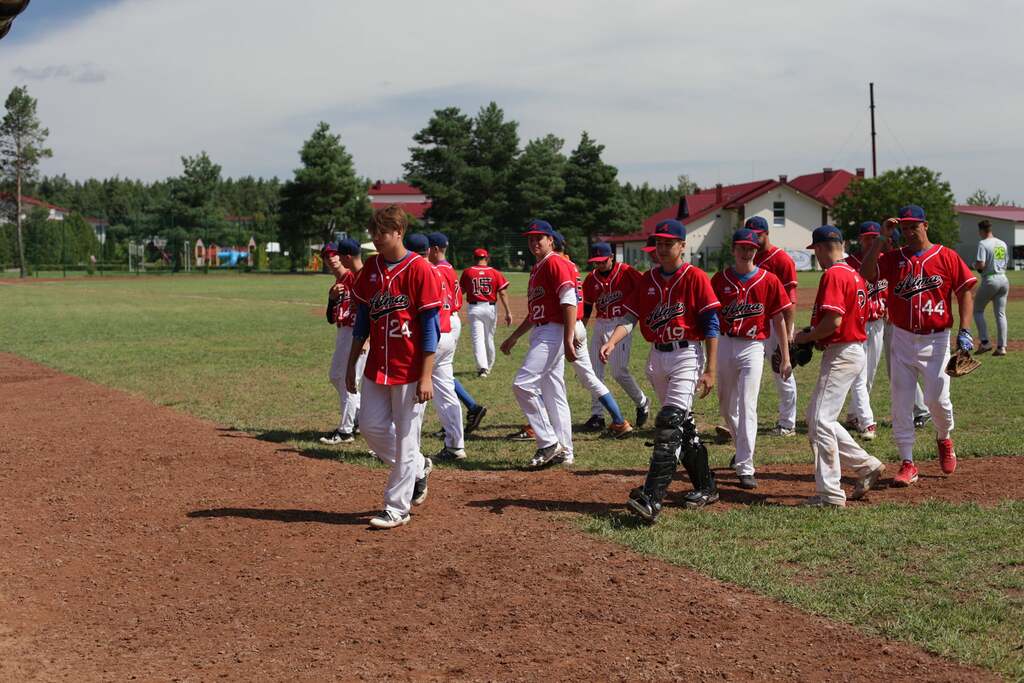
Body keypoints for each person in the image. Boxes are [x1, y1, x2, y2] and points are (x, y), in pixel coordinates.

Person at [599, 220, 721, 522]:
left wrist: (711, 370)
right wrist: (613, 342)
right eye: (660, 244)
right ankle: (707, 486)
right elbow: (630, 316)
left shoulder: (695, 277)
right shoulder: (648, 279)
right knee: (684, 428)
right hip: (657, 357)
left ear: (682, 246)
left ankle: (651, 498)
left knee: (668, 424)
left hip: (686, 355)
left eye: (670, 243)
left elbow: (711, 325)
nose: (663, 249)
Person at [860, 205, 978, 487]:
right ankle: (908, 462)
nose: (909, 232)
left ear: (925, 226)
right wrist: (880, 238)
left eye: (914, 226)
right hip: (901, 337)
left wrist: (965, 330)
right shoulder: (893, 257)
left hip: (936, 338)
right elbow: (866, 272)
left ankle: (943, 437)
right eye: (905, 227)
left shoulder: (946, 256)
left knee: (937, 399)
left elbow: (966, 291)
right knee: (901, 403)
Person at [347, 207, 442, 529]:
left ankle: (396, 508)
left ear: (399, 232)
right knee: (370, 427)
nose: (376, 237)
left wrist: (427, 375)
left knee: (405, 439)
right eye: (373, 231)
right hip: (377, 365)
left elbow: (431, 328)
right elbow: (361, 320)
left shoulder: (420, 269)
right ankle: (418, 467)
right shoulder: (371, 268)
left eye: (382, 232)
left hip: (411, 368)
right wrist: (351, 364)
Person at [795, 226, 885, 507]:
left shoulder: (834, 274)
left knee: (820, 421)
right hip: (851, 349)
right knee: (818, 418)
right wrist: (816, 335)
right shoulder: (853, 274)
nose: (817, 257)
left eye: (816, 251)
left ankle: (831, 493)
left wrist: (805, 336)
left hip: (843, 352)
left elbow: (832, 322)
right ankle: (866, 464)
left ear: (821, 248)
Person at [711, 228, 793, 490]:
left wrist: (786, 355)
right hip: (725, 343)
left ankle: (745, 465)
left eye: (751, 248)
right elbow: (710, 318)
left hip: (753, 346)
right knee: (726, 407)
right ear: (733, 250)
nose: (747, 252)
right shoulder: (719, 279)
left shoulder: (769, 280)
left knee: (748, 405)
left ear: (756, 250)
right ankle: (741, 445)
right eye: (742, 247)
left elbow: (778, 317)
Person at [500, 219, 578, 468]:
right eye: (531, 238)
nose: (534, 242)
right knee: (555, 394)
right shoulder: (538, 268)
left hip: (553, 332)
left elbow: (569, 300)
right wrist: (515, 336)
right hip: (543, 329)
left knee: (522, 385)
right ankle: (565, 450)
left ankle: (548, 442)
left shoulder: (555, 262)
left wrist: (568, 337)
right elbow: (535, 313)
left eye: (539, 238)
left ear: (550, 240)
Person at [553, 232, 633, 439]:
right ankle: (610, 418)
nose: (598, 265)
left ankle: (537, 424)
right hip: (586, 324)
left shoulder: (557, 265)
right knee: (591, 375)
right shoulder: (575, 269)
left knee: (540, 376)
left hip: (571, 325)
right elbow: (586, 304)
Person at [582, 242, 651, 431]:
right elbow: (587, 306)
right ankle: (597, 415)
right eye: (595, 262)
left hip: (622, 323)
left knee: (619, 371)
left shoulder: (627, 272)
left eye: (602, 261)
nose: (599, 265)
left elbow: (645, 290)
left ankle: (642, 401)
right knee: (594, 372)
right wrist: (580, 330)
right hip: (601, 323)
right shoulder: (590, 279)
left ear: (611, 257)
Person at [744, 216, 799, 437]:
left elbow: (791, 299)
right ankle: (742, 420)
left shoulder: (781, 260)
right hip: (755, 322)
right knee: (747, 370)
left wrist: (789, 329)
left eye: (757, 235)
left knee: (782, 369)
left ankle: (788, 423)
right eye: (750, 235)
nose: (753, 240)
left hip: (778, 323)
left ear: (766, 234)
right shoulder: (749, 256)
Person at [842, 222, 885, 440]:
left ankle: (853, 414)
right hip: (856, 323)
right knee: (860, 373)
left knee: (870, 374)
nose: (871, 241)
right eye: (867, 237)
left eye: (875, 237)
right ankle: (864, 419)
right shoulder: (848, 263)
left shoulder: (885, 260)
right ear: (860, 239)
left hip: (878, 323)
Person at [320, 238, 364, 445]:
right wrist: (331, 299)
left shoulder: (355, 277)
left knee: (349, 382)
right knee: (337, 376)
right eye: (327, 256)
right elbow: (331, 318)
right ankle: (362, 417)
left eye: (334, 254)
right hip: (344, 332)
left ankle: (346, 430)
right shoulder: (338, 285)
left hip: (357, 334)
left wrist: (366, 340)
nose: (331, 259)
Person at [460, 248, 513, 377]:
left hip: (474, 308)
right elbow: (502, 292)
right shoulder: (495, 272)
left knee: (478, 339)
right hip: (490, 308)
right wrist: (508, 312)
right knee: (489, 337)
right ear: (487, 258)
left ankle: (482, 368)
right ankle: (489, 365)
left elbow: (460, 292)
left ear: (474, 259)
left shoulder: (468, 272)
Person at [973, 219, 1009, 356]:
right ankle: (1002, 347)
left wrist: (974, 265)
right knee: (1000, 314)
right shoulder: (1002, 243)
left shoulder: (983, 243)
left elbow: (981, 264)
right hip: (1003, 278)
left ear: (981, 230)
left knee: (978, 311)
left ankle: (985, 342)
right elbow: (1004, 261)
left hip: (990, 279)